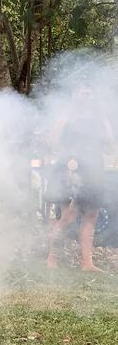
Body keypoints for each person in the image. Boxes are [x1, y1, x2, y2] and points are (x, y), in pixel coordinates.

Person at [45, 86, 115, 272]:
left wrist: (104, 122)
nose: (87, 95)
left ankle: (87, 263)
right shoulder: (67, 116)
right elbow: (51, 141)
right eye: (83, 92)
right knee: (68, 216)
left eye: (90, 93)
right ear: (75, 95)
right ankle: (52, 258)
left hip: (93, 170)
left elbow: (109, 148)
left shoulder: (99, 119)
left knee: (91, 216)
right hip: (70, 168)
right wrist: (69, 159)